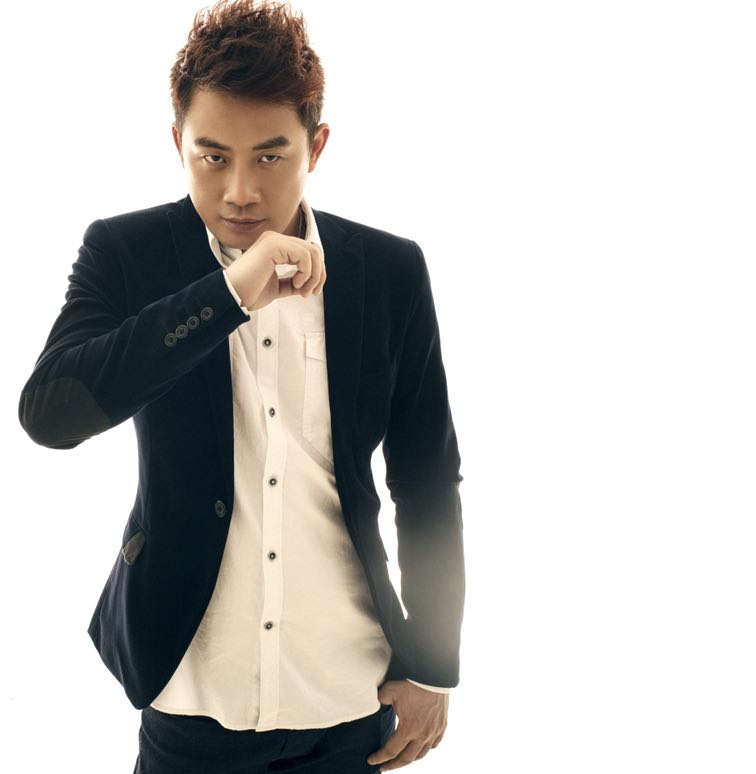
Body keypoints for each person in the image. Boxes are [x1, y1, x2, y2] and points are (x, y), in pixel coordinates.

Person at [17, 0, 464, 772]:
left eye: (270, 157)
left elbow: (426, 478)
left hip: (347, 695)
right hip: (191, 690)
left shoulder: (389, 271)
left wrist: (433, 665)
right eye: (213, 157)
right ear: (178, 143)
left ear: (316, 146)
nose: (239, 191)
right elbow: (51, 414)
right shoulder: (126, 252)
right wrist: (228, 294)